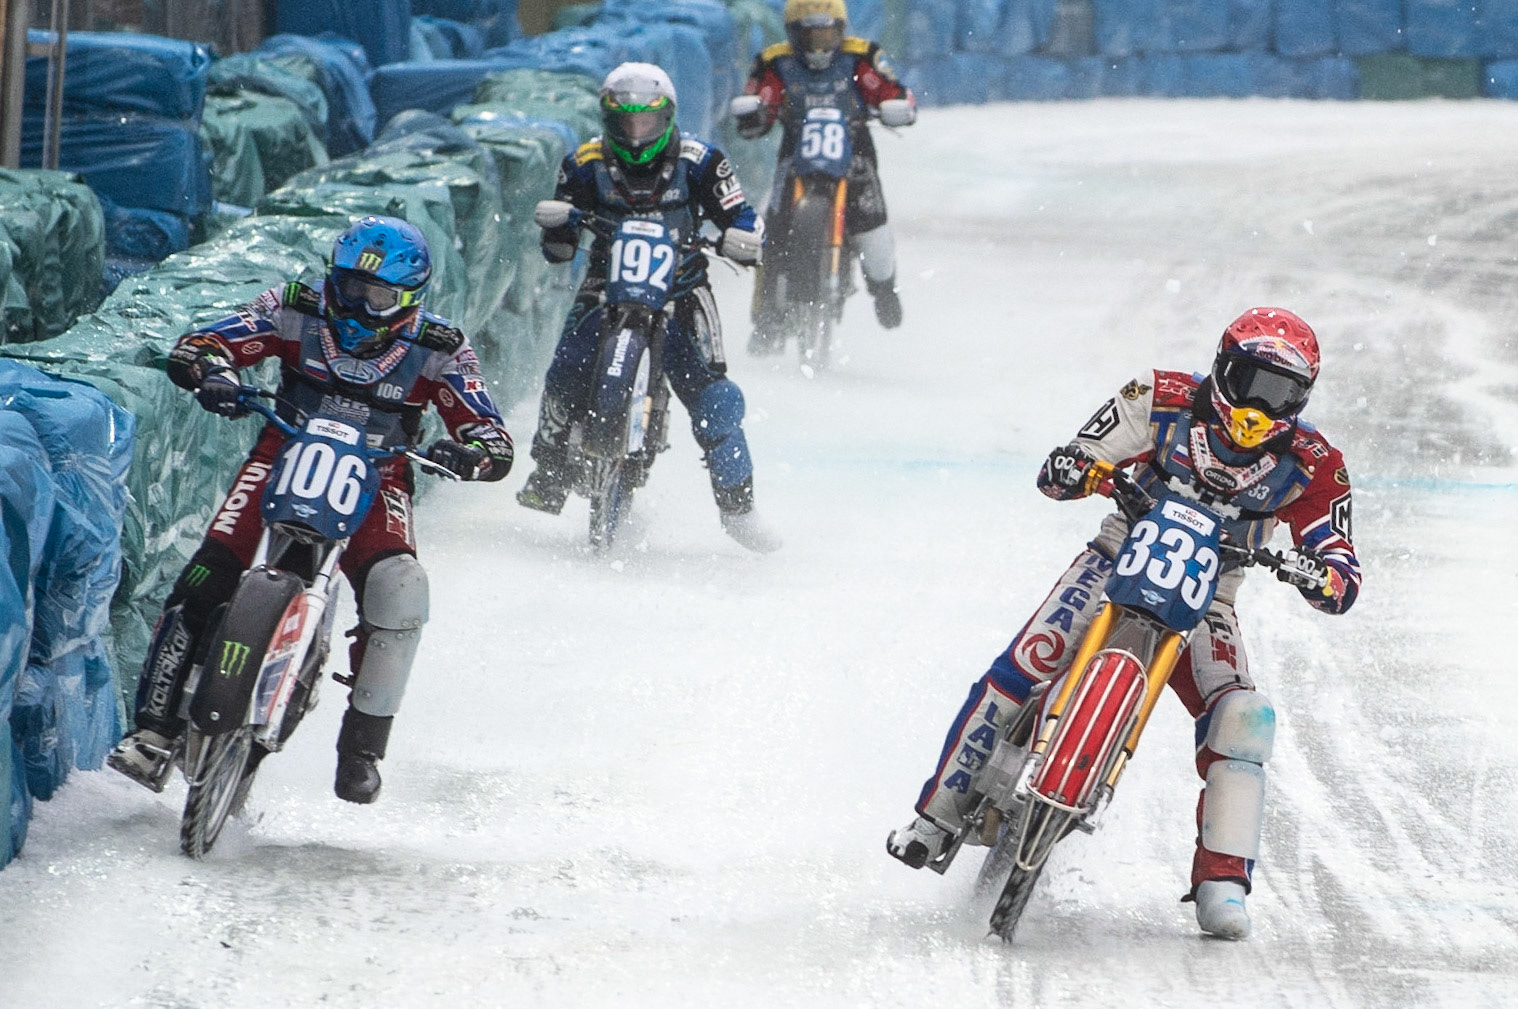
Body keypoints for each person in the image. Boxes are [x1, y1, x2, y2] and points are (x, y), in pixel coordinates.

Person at [886, 308, 1361, 940]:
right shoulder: (1159, 396)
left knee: (1246, 719)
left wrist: (1318, 572)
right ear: (1221, 369)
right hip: (1116, 556)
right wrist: (1076, 469)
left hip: (1210, 594)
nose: (1258, 406)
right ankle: (935, 815)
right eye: (1249, 383)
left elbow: (1342, 569)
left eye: (1279, 394)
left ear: (1302, 400)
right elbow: (1075, 456)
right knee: (1028, 660)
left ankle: (1222, 881)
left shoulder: (1315, 462)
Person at [108, 215, 514, 805]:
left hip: (380, 474)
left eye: (378, 296)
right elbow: (207, 341)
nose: (359, 305)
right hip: (283, 449)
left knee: (401, 588)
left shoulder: (439, 348)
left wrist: (474, 450)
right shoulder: (294, 306)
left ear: (409, 300)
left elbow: (488, 429)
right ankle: (153, 730)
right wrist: (213, 372)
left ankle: (362, 749)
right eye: (349, 287)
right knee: (205, 573)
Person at [515, 62, 779, 553]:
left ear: (668, 118)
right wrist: (561, 229)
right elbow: (559, 235)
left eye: (648, 122)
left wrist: (742, 237)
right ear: (608, 120)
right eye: (625, 122)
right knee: (565, 366)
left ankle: (739, 508)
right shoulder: (584, 162)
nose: (637, 133)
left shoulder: (702, 160)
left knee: (714, 399)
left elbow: (742, 213)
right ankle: (549, 468)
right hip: (605, 285)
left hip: (683, 289)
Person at [732, 0, 917, 335]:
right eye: (810, 36)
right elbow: (761, 99)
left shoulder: (862, 57)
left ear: (841, 31)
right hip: (795, 156)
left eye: (826, 34)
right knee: (771, 227)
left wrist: (898, 106)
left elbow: (894, 92)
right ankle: (765, 318)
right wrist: (755, 113)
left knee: (871, 219)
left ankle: (884, 289)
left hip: (855, 152)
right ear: (793, 35)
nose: (819, 44)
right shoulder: (775, 62)